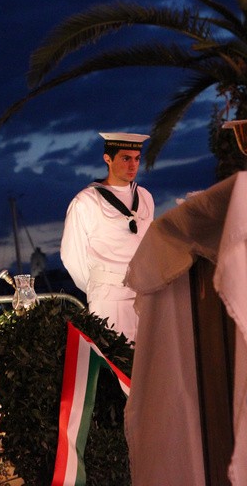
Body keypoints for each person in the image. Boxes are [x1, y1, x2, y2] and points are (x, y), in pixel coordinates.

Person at [60, 132, 155, 342]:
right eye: (126, 158)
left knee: (147, 358)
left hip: (144, 295)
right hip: (108, 298)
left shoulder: (145, 197)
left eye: (137, 158)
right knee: (114, 358)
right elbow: (71, 256)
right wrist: (99, 285)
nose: (133, 165)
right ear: (108, 159)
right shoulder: (86, 201)